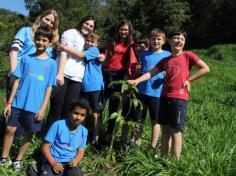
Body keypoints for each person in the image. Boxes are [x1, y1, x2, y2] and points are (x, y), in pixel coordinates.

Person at [128, 30, 210, 159]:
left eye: (182, 39)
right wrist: (136, 80)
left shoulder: (188, 55)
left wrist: (189, 80)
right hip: (164, 96)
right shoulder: (166, 60)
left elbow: (205, 68)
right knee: (165, 129)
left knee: (176, 130)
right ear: (170, 41)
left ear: (184, 42)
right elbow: (150, 73)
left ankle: (175, 163)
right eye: (176, 38)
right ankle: (162, 158)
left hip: (179, 98)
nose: (179, 41)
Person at [0, 26, 57, 172]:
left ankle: (18, 160)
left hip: (35, 107)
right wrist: (9, 103)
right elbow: (17, 81)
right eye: (38, 39)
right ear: (34, 40)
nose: (40, 42)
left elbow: (49, 87)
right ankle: (4, 158)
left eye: (44, 40)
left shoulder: (51, 64)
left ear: (50, 43)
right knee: (9, 129)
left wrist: (43, 108)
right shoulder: (25, 59)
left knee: (28, 134)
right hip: (18, 103)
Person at [45, 16, 97, 130]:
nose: (88, 27)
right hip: (63, 75)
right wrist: (60, 73)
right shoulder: (71, 33)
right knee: (56, 109)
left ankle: (61, 139)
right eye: (86, 23)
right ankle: (46, 138)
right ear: (82, 23)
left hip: (77, 79)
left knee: (68, 111)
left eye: (91, 26)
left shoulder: (89, 40)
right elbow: (63, 52)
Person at [58, 32, 103, 146]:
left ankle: (96, 138)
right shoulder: (85, 49)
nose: (89, 43)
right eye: (88, 40)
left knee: (95, 113)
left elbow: (81, 56)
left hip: (94, 86)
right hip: (84, 86)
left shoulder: (94, 51)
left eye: (92, 41)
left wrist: (65, 47)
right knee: (82, 112)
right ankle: (80, 138)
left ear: (97, 44)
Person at [130, 29, 171, 152]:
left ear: (163, 41)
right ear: (150, 41)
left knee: (155, 121)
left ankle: (152, 147)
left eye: (159, 39)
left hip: (157, 93)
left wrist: (166, 76)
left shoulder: (167, 55)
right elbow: (142, 71)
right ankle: (134, 142)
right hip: (141, 91)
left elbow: (170, 71)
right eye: (153, 39)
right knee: (138, 119)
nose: (156, 41)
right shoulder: (144, 54)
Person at [7, 9, 59, 98]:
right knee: (11, 106)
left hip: (35, 80)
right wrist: (13, 74)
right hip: (18, 74)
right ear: (41, 18)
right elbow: (13, 52)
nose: (48, 23)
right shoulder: (26, 31)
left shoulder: (52, 43)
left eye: (52, 22)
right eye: (47, 19)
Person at [102, 19, 138, 140]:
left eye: (125, 29)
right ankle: (94, 131)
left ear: (129, 31)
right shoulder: (111, 41)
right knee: (101, 103)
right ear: (118, 30)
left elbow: (135, 57)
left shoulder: (131, 43)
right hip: (107, 73)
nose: (123, 31)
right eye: (121, 29)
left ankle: (109, 133)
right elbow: (105, 55)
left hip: (119, 75)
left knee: (114, 105)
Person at [40, 99, 90, 176]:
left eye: (82, 115)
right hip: (53, 160)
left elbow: (81, 151)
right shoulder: (58, 125)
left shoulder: (84, 131)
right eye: (76, 113)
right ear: (70, 112)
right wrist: (53, 163)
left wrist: (76, 160)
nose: (78, 117)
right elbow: (45, 147)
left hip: (70, 163)